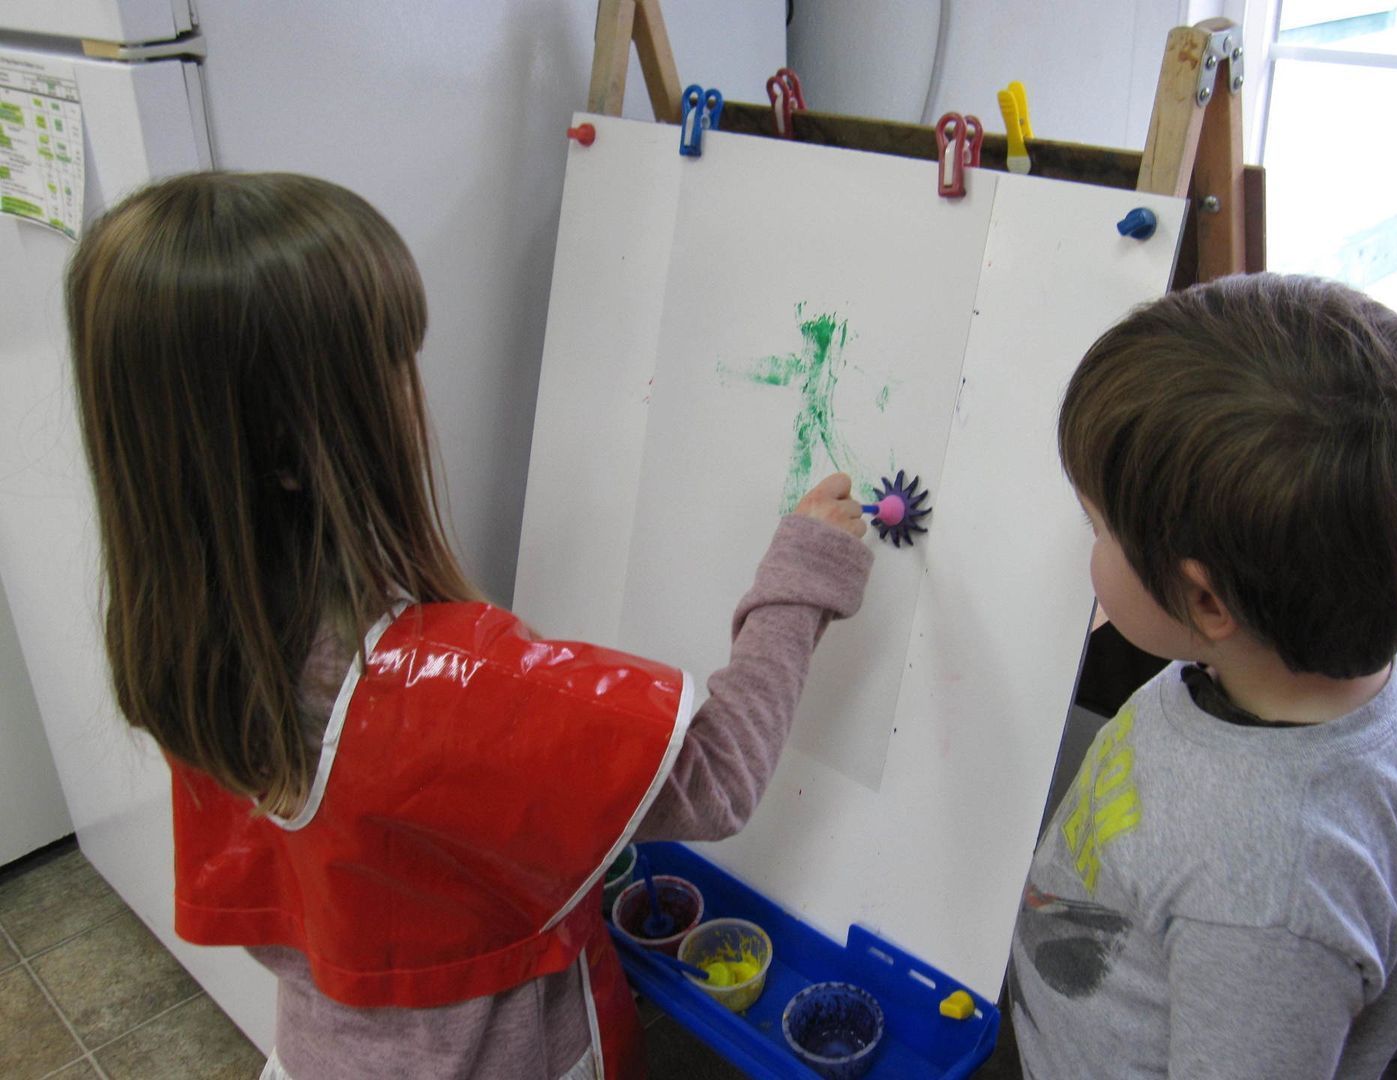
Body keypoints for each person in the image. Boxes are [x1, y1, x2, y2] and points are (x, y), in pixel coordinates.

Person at [66, 171, 874, 1080]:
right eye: (394, 361)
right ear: (300, 445)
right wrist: (802, 575)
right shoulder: (440, 692)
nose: (415, 387)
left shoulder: (186, 635)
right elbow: (721, 774)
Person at [995, 273, 1397, 1079]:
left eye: (1095, 527)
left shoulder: (1269, 908)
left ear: (1205, 601)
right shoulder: (1358, 644)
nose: (1085, 546)